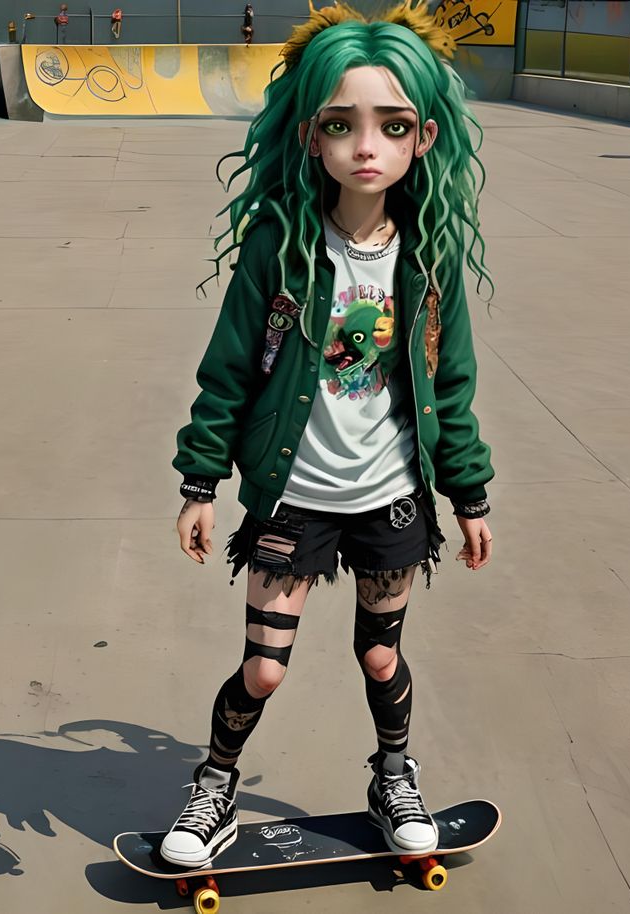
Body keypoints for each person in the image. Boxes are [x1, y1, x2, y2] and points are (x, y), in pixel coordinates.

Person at [163, 0, 495, 869]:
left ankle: (394, 775)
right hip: (295, 496)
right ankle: (215, 784)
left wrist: (469, 498)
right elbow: (227, 370)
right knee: (264, 669)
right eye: (343, 125)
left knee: (381, 658)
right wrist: (200, 484)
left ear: (423, 136)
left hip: (390, 497)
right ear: (312, 136)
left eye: (390, 125)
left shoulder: (427, 262)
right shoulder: (279, 247)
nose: (367, 146)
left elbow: (450, 387)